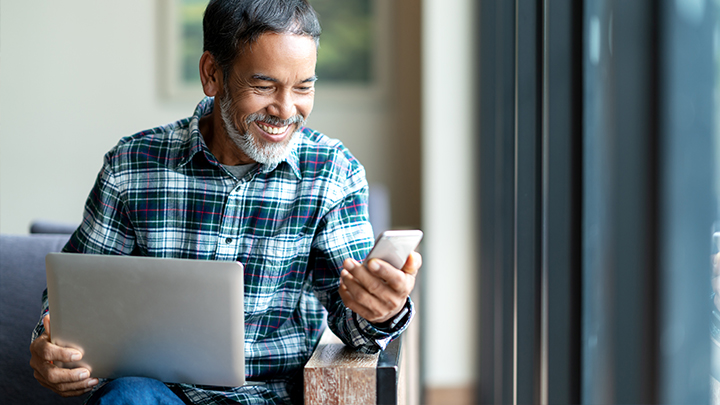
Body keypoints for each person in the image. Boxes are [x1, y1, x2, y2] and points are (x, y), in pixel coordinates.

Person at [28, 0, 421, 403]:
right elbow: (75, 298)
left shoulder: (331, 172)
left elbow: (351, 324)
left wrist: (380, 310)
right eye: (264, 86)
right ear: (212, 74)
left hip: (273, 395)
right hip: (158, 392)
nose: (286, 110)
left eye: (303, 87)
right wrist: (51, 341)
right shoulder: (133, 165)